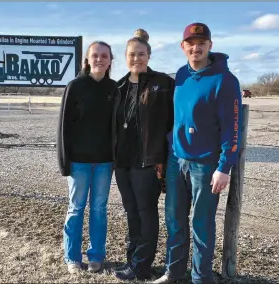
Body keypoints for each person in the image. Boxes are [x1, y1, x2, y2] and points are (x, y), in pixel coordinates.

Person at [154, 23, 242, 284]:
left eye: (201, 42)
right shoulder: (180, 75)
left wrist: (224, 166)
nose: (196, 47)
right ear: (183, 47)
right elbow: (177, 118)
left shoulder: (225, 80)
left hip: (206, 164)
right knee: (174, 220)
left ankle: (201, 277)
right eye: (190, 43)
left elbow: (232, 128)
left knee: (201, 224)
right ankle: (174, 272)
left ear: (210, 46)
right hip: (176, 160)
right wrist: (170, 149)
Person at [112, 28, 175, 281]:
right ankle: (132, 261)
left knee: (146, 211)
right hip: (122, 162)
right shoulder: (119, 87)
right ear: (124, 57)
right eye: (131, 54)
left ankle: (141, 266)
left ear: (148, 55)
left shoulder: (163, 83)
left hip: (147, 161)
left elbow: (174, 119)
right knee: (131, 211)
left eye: (140, 54)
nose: (136, 58)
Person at [57, 41, 118, 275]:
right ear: (87, 59)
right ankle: (72, 256)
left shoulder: (114, 89)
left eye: (104, 56)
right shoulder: (75, 86)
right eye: (95, 55)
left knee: (99, 208)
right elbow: (63, 127)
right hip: (78, 161)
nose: (99, 59)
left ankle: (95, 256)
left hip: (104, 161)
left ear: (110, 60)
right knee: (76, 208)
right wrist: (65, 161)